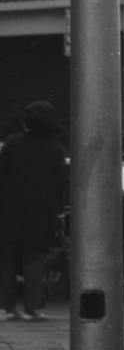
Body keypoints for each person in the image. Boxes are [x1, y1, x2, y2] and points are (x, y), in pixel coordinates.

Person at [0, 101, 68, 321]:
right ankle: (33, 307)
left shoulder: (13, 143)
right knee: (35, 261)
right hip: (41, 215)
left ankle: (6, 308)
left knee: (6, 259)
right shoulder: (56, 149)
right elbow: (61, 186)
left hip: (8, 211)